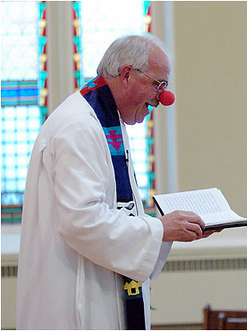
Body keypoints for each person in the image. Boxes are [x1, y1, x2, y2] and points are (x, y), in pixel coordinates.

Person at [16, 34, 216, 329]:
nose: (162, 99)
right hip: (75, 301)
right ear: (125, 75)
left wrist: (169, 230)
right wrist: (160, 229)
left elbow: (116, 212)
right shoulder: (79, 127)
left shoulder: (105, 122)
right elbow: (82, 221)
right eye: (158, 85)